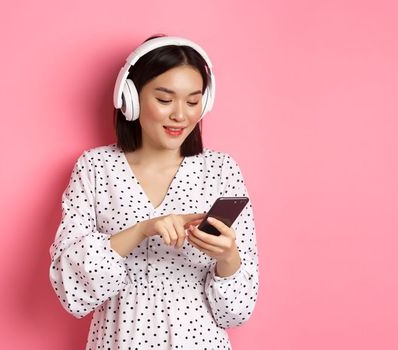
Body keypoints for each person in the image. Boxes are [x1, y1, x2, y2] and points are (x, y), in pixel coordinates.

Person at [48, 34, 259, 349]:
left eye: (192, 101)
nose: (181, 115)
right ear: (130, 99)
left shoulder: (221, 171)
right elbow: (71, 289)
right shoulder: (95, 168)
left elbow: (236, 313)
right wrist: (142, 230)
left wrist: (228, 256)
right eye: (164, 99)